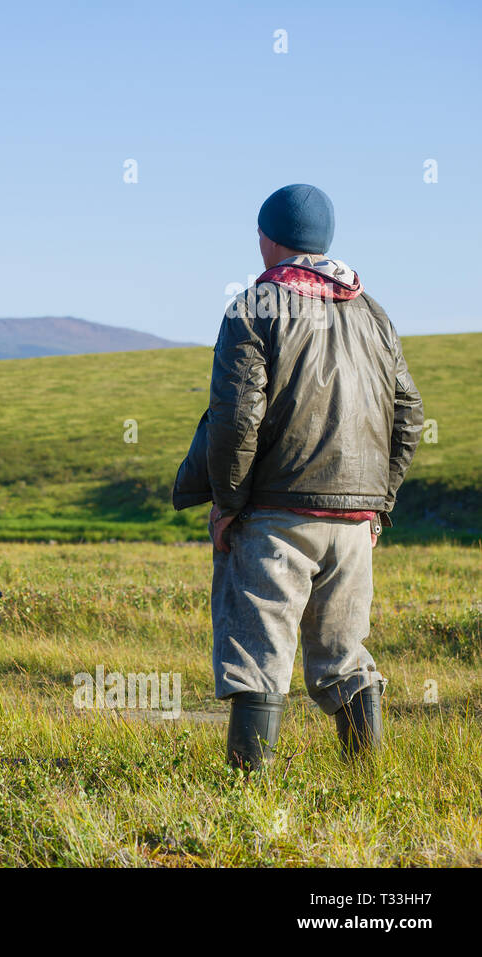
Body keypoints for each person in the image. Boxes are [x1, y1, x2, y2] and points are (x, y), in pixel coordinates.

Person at [172, 184, 424, 770]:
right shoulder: (371, 310)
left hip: (277, 513)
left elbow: (237, 418)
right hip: (357, 520)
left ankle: (247, 802)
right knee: (343, 655)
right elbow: (408, 412)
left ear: (267, 237)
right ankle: (367, 780)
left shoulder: (253, 306)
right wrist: (380, 504)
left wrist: (228, 502)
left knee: (258, 654)